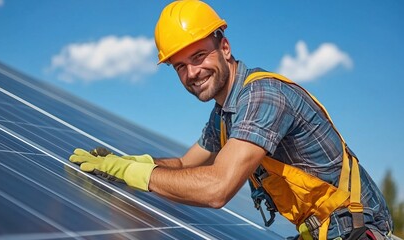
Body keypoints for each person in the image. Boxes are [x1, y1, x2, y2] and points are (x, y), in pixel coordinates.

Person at [69, 0, 393, 239]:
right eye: (180, 66)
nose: (192, 73)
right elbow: (184, 166)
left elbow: (217, 189)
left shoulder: (263, 96)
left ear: (225, 47)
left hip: (357, 231)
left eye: (198, 56)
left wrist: (136, 173)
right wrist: (125, 164)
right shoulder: (222, 117)